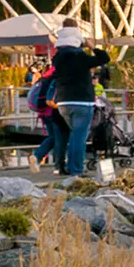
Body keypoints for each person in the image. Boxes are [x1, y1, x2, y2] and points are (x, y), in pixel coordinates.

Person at [49, 26, 111, 176]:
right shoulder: (80, 58)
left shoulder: (57, 58)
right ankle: (76, 170)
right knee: (79, 137)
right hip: (82, 101)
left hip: (63, 102)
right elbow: (104, 58)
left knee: (73, 135)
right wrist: (92, 46)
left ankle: (70, 167)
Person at [28, 62, 63, 174]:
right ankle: (58, 165)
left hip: (44, 112)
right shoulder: (58, 75)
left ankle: (38, 156)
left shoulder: (46, 76)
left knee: (52, 137)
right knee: (59, 138)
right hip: (53, 111)